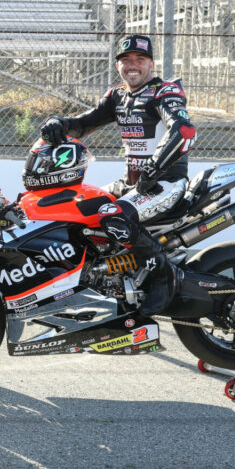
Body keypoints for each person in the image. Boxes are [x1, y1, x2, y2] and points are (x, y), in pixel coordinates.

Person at [39, 34, 197, 315]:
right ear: (118, 66)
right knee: (76, 208)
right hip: (132, 185)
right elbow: (84, 124)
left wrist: (155, 166)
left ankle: (163, 274)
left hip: (165, 183)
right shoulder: (118, 96)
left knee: (113, 216)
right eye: (125, 60)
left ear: (151, 63)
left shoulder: (164, 92)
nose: (132, 65)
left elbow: (183, 130)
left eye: (140, 59)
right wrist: (58, 123)